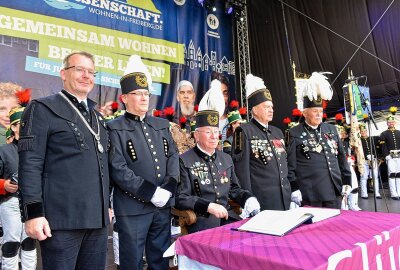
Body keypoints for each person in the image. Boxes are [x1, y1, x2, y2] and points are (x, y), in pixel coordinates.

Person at [18, 51, 110, 270]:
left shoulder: (97, 117)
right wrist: (33, 214)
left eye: (91, 71)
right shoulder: (42, 108)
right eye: (79, 69)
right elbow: (30, 164)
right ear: (63, 73)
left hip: (97, 221)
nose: (86, 75)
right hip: (61, 221)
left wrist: (107, 206)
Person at [108, 55, 179, 270]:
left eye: (146, 93)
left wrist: (168, 188)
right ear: (124, 98)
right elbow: (117, 168)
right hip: (132, 208)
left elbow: (173, 157)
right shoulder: (114, 127)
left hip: (162, 207)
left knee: (160, 260)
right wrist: (151, 193)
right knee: (132, 262)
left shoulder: (160, 125)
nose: (143, 98)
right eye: (137, 94)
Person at [176, 79, 260, 233]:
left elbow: (234, 189)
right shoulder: (184, 160)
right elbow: (181, 197)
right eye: (208, 132)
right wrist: (207, 206)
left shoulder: (225, 159)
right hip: (201, 221)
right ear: (196, 135)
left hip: (228, 217)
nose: (214, 137)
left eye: (216, 132)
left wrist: (248, 198)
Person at [287, 72, 352, 209]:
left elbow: (341, 158)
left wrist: (347, 181)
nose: (319, 114)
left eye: (320, 111)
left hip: (334, 189)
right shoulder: (294, 133)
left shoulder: (331, 129)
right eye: (315, 111)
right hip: (310, 193)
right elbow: (290, 166)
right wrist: (294, 188)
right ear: (304, 113)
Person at [232, 74, 291, 211]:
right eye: (266, 107)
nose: (271, 110)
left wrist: (291, 191)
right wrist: (247, 198)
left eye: (272, 107)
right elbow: (242, 170)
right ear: (255, 110)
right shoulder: (244, 131)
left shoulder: (277, 132)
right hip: (262, 200)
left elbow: (284, 165)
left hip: (284, 197)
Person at [0, 106, 37, 270]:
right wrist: (4, 185)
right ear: (14, 127)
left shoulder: (37, 151)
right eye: (21, 124)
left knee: (30, 242)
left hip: (33, 202)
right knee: (11, 244)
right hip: (11, 203)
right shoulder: (4, 151)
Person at [379, 112, 400, 200]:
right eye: (389, 122)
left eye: (392, 122)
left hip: (399, 156)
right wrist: (386, 155)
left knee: (398, 174)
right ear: (387, 123)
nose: (391, 123)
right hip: (390, 156)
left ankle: (399, 192)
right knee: (392, 174)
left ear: (394, 122)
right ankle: (393, 193)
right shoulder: (383, 134)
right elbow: (383, 146)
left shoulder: (399, 132)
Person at [359, 123, 381, 200]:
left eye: (364, 131)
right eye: (362, 131)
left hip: (373, 160)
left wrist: (376, 157)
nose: (363, 133)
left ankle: (377, 193)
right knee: (364, 177)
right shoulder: (359, 140)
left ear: (367, 131)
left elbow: (377, 148)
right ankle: (364, 193)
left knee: (375, 177)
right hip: (364, 161)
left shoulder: (372, 139)